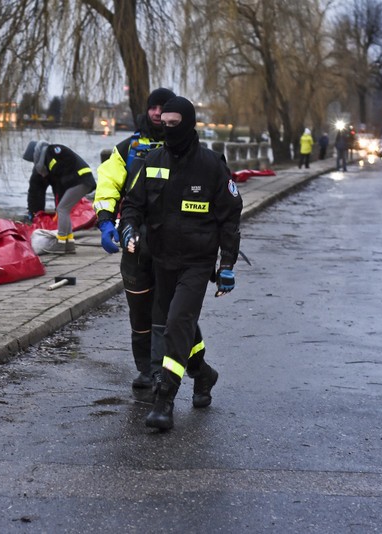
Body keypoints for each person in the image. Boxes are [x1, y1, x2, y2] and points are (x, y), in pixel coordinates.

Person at [120, 96, 243, 431]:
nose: (168, 130)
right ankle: (203, 373)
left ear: (188, 124)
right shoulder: (152, 160)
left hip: (197, 262)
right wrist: (128, 228)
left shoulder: (211, 165)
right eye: (164, 124)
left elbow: (230, 217)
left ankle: (164, 400)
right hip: (162, 259)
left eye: (174, 124)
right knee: (178, 325)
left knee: (175, 324)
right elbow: (133, 204)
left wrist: (227, 264)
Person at [94, 87, 207, 396]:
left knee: (174, 315)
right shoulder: (127, 149)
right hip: (136, 243)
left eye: (163, 107)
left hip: (174, 246)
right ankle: (147, 369)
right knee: (140, 312)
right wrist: (105, 221)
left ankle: (192, 370)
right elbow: (107, 184)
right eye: (152, 107)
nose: (157, 113)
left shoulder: (189, 151)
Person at [23, 140, 96, 254]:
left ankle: (60, 242)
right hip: (80, 181)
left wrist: (61, 191)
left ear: (35, 154)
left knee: (62, 209)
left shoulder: (52, 151)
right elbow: (57, 181)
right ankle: (69, 243)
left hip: (80, 181)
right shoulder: (49, 156)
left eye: (33, 160)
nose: (34, 163)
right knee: (64, 209)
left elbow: (61, 173)